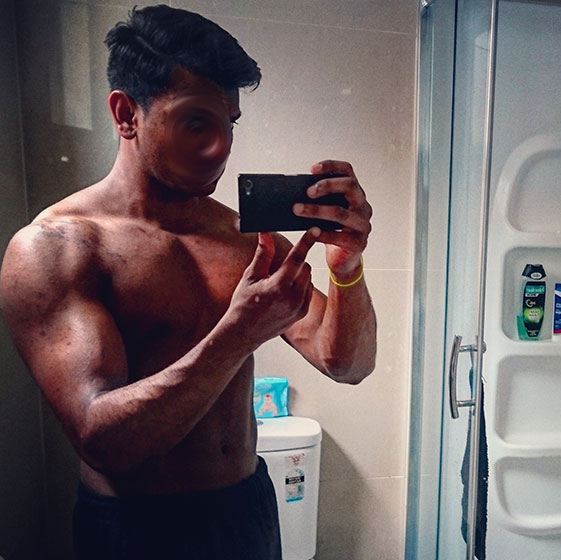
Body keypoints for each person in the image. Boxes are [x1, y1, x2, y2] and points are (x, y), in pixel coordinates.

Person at [0, 5, 376, 559]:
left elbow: (347, 364)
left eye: (229, 124)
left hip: (247, 509)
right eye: (196, 122)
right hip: (138, 529)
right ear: (126, 114)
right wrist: (237, 335)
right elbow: (102, 442)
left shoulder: (242, 237)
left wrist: (347, 270)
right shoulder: (56, 249)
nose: (220, 147)